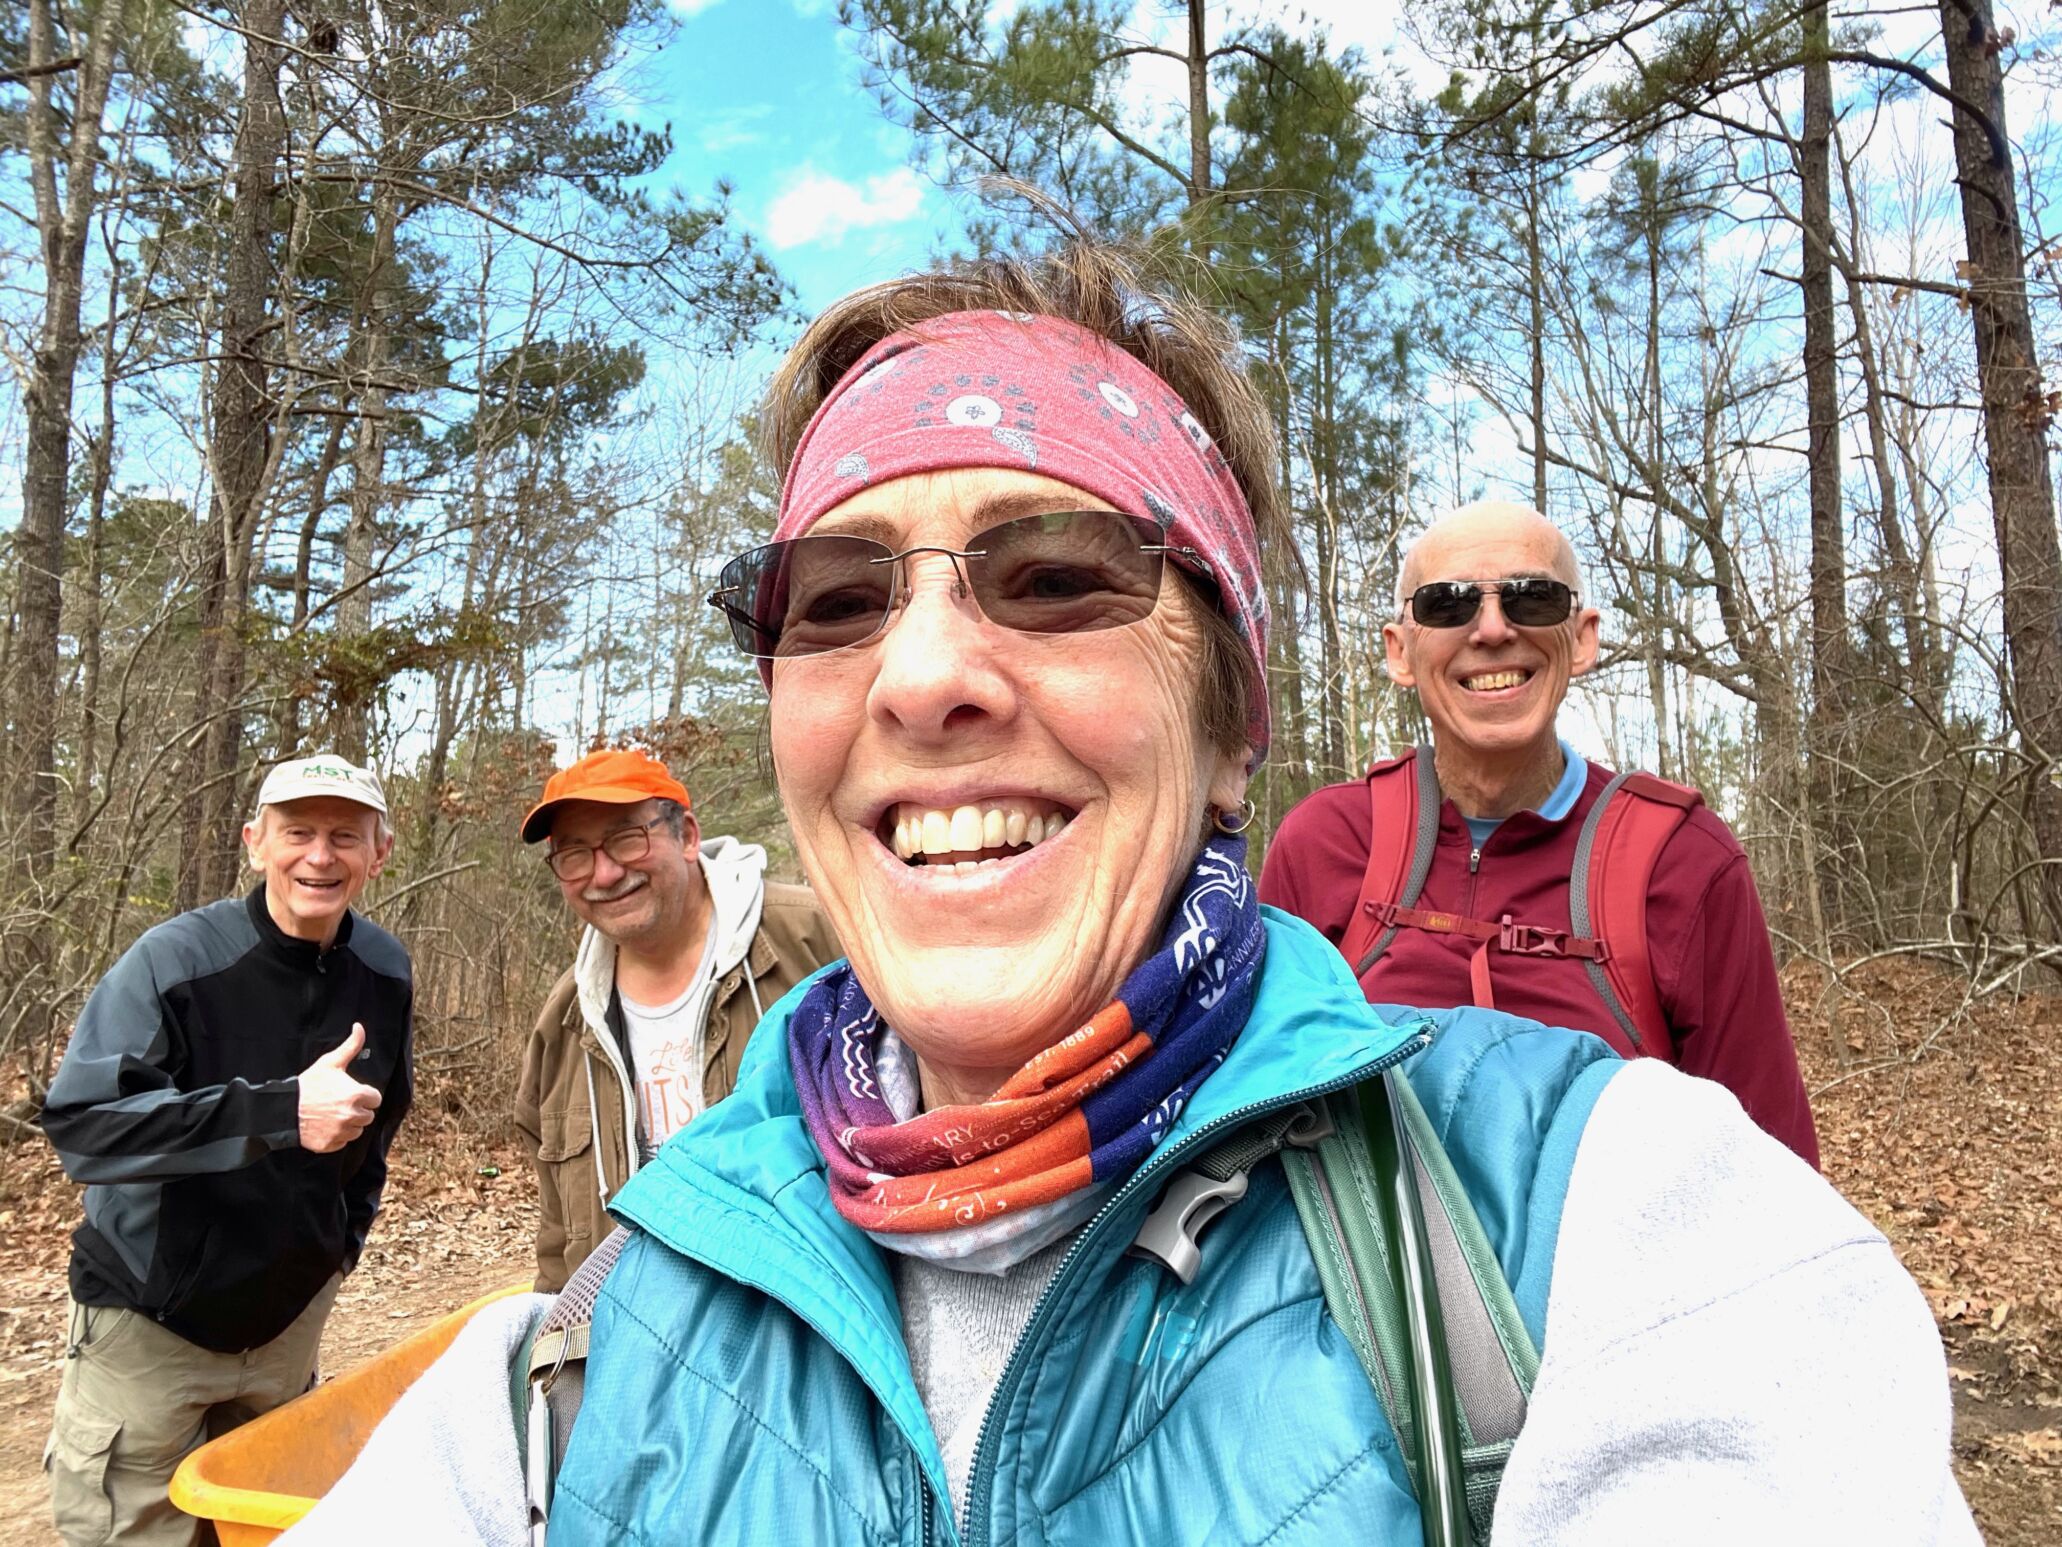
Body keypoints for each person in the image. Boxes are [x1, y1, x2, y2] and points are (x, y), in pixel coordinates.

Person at [283, 246, 1972, 1546]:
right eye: (835, 600)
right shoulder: (561, 1384)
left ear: (1232, 725)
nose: (921, 673)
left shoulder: (1628, 1236)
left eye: (1055, 577)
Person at [1259, 499, 1819, 1165]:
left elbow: (1771, 1173)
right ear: (1399, 651)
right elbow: (1254, 1126)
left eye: (1532, 598)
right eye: (1448, 604)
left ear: (1582, 638)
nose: (1493, 629)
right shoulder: (1327, 843)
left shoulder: (1684, 862)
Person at [41, 753, 412, 1547]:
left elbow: (381, 1125)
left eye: (345, 835)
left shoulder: (385, 970)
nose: (320, 855)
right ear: (255, 842)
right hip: (151, 1327)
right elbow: (84, 1127)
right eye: (297, 832)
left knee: (265, 1532)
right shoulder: (174, 961)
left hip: (285, 1334)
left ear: (379, 852)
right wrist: (279, 1110)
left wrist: (336, 1252)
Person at [514, 747, 840, 1289]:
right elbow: (558, 1238)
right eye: (574, 854)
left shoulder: (818, 940)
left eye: (626, 839)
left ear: (687, 836)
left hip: (812, 1306)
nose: (604, 873)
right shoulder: (564, 1023)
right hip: (636, 1320)